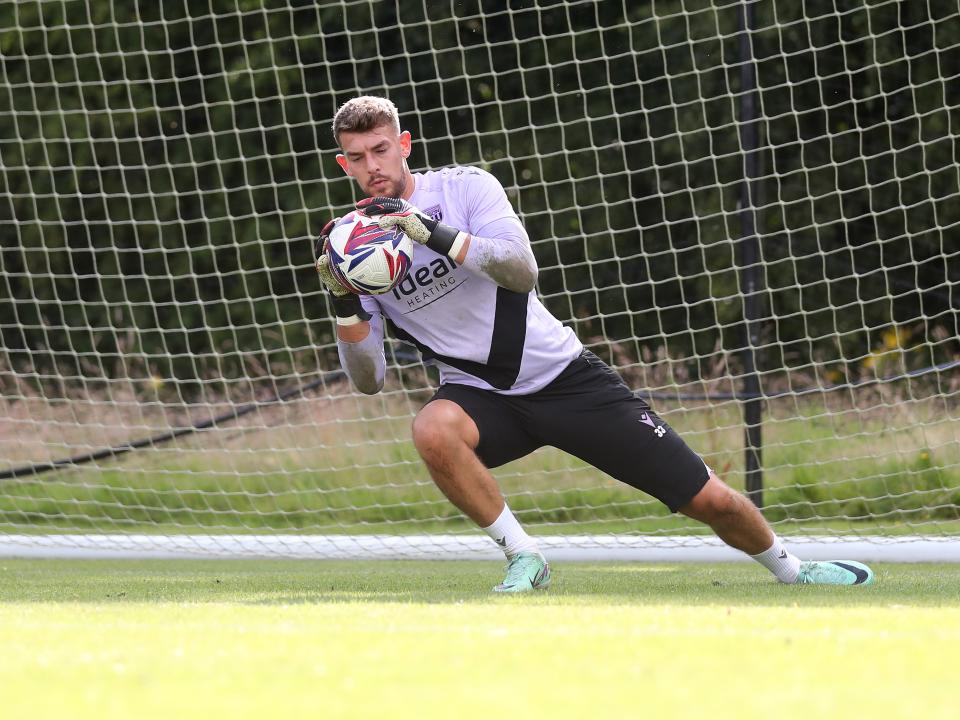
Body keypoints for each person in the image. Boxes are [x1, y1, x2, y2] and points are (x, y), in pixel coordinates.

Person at [315, 95, 874, 592]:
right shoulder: (348, 246)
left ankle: (792, 569)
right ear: (344, 163)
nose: (373, 166)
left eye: (381, 150)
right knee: (431, 428)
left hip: (564, 378)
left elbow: (520, 270)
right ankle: (523, 555)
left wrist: (429, 233)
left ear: (404, 145)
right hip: (480, 394)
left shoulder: (465, 189)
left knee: (708, 500)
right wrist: (342, 300)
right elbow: (369, 380)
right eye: (358, 158)